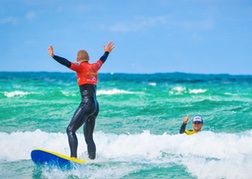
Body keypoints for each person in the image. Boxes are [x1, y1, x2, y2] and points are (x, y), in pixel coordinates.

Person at [47, 42, 115, 159]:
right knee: (89, 137)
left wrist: (54, 56)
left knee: (70, 130)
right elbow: (102, 59)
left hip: (86, 103)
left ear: (77, 60)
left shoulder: (79, 67)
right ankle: (92, 160)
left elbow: (66, 63)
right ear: (88, 58)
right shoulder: (94, 67)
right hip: (95, 106)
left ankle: (73, 159)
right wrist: (107, 52)